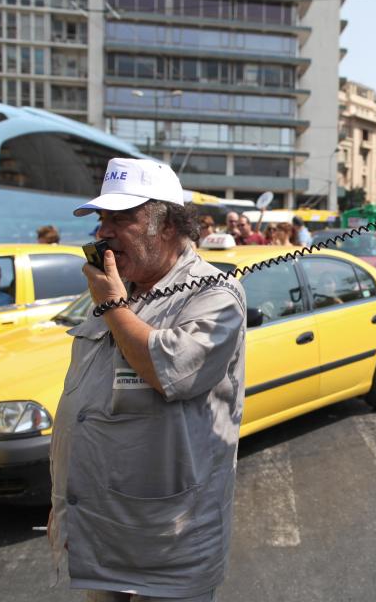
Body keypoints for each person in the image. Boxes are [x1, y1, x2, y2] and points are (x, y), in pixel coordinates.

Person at [48, 157, 246, 602]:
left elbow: (167, 371)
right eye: (102, 220)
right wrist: (65, 495)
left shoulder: (213, 293)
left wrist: (113, 305)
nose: (104, 232)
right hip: (101, 527)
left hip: (167, 538)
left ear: (169, 226)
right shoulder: (122, 287)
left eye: (121, 218)